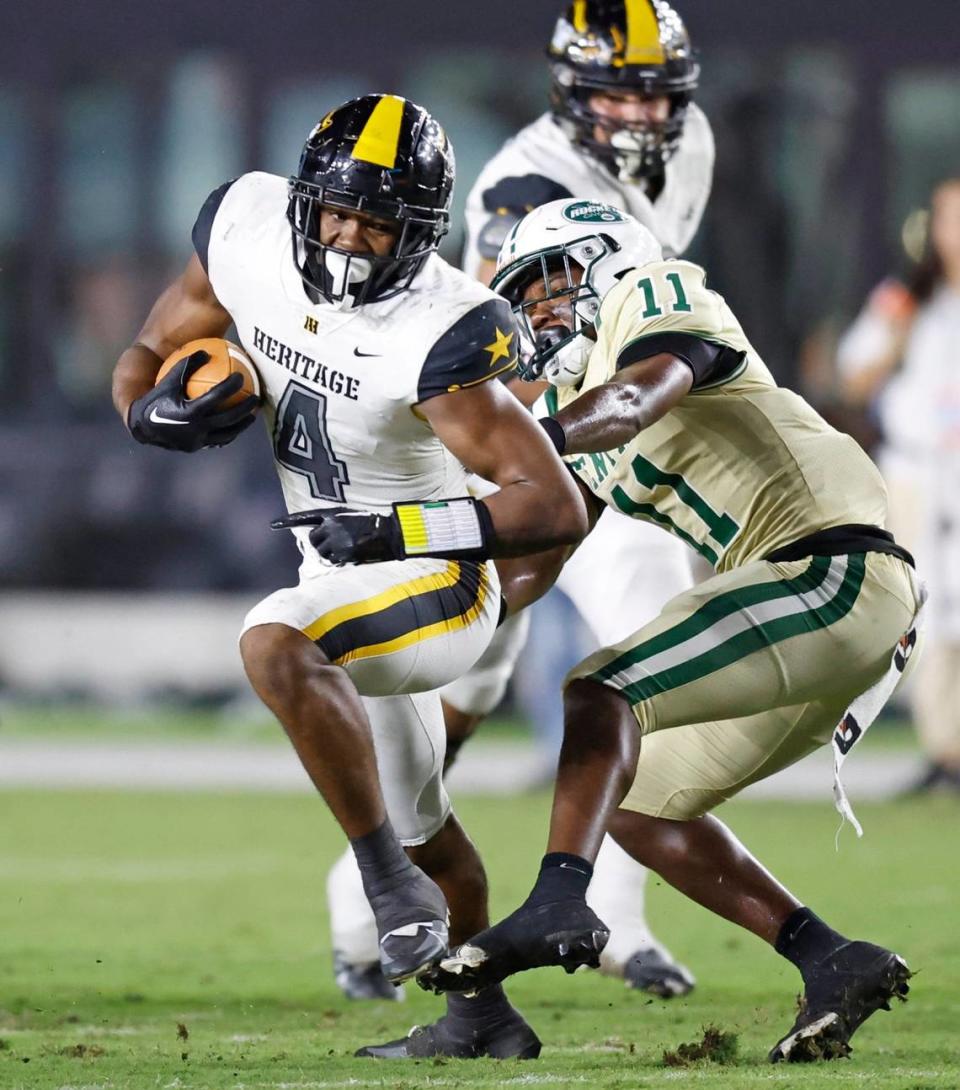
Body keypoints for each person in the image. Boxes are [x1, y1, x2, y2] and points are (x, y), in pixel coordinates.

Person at [111, 94, 588, 1060]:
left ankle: (379, 885)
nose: (347, 237)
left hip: (437, 579)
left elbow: (551, 505)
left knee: (273, 642)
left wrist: (401, 526)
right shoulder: (247, 230)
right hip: (341, 573)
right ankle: (481, 1019)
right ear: (302, 201)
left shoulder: (445, 325)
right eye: (334, 212)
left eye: (375, 222)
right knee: (430, 831)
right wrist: (141, 415)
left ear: (419, 232)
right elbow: (151, 349)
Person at [420, 198, 923, 1064]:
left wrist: (529, 442)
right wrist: (421, 567)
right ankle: (830, 958)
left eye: (543, 286)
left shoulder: (652, 296)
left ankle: (557, 899)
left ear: (600, 257)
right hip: (819, 606)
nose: (536, 313)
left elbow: (636, 396)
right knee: (640, 802)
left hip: (831, 564)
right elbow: (542, 546)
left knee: (601, 691)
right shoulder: (581, 402)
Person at [328, 0, 711, 1004]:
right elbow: (531, 345)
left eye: (654, 92)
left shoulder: (691, 146)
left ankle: (621, 918)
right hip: (520, 449)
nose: (639, 111)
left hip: (619, 455)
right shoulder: (522, 185)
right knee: (464, 687)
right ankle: (363, 902)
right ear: (572, 92)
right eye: (617, 90)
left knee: (654, 666)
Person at [837, 176, 960, 794]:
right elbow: (854, 376)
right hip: (920, 472)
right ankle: (945, 752)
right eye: (949, 219)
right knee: (928, 609)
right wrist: (896, 344)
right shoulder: (908, 297)